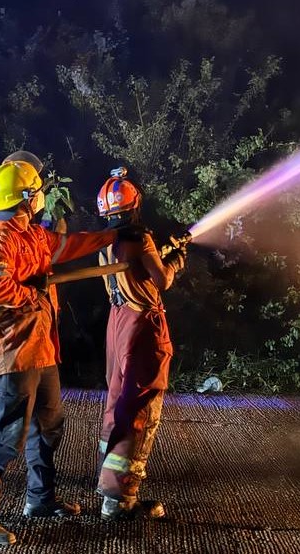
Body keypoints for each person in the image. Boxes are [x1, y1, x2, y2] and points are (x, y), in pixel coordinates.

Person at [0, 159, 117, 545]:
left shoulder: (31, 235)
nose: (42, 199)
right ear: (28, 198)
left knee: (49, 426)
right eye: (38, 193)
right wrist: (30, 294)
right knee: (6, 435)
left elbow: (67, 245)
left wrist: (111, 235)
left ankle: (40, 499)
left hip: (40, 349)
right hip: (10, 354)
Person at [95, 167, 185, 520]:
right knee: (141, 409)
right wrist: (176, 262)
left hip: (117, 324)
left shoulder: (103, 242)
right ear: (135, 205)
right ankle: (123, 500)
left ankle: (108, 489)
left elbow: (130, 270)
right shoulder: (141, 239)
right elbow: (161, 281)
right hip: (142, 326)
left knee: (118, 402)